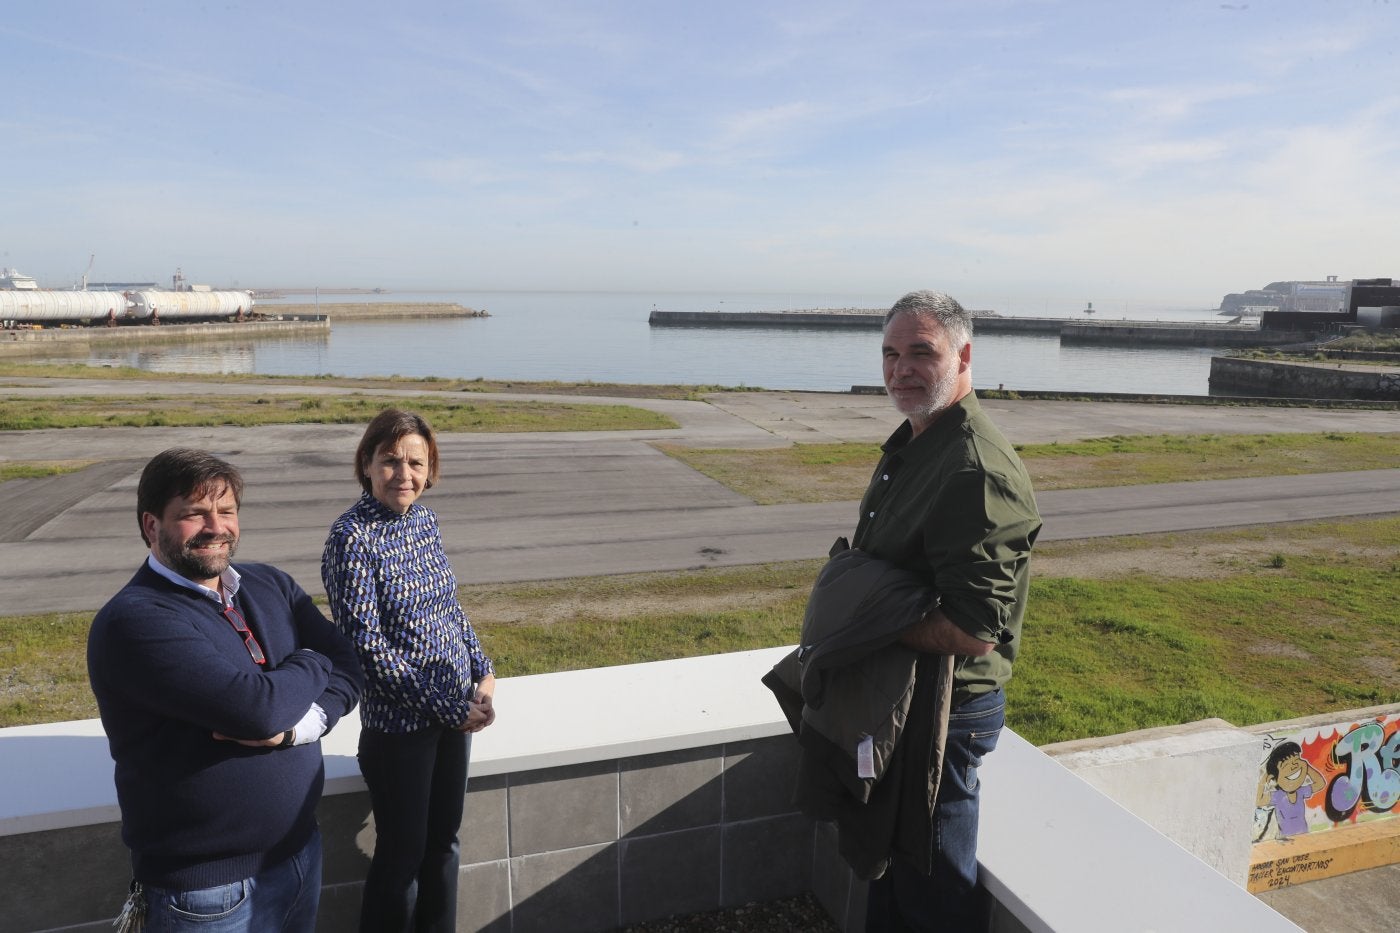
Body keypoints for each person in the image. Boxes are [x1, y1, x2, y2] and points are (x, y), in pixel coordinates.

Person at [87, 448, 363, 933]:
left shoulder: (268, 583)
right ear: (152, 525)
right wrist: (311, 660)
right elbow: (256, 710)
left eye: (227, 510)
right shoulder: (135, 620)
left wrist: (301, 728)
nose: (216, 526)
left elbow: (350, 663)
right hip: (205, 894)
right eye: (194, 514)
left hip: (300, 854)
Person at [858, 291, 1042, 931]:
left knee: (933, 883)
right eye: (889, 353)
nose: (900, 368)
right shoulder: (919, 441)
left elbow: (973, 630)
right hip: (907, 695)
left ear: (963, 356)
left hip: (946, 709)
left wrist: (865, 625)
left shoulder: (974, 468)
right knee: (892, 868)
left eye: (920, 352)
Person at [321, 408, 497, 933]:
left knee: (444, 846)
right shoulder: (352, 538)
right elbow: (366, 650)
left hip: (452, 721)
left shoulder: (424, 520)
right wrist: (453, 707)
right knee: (402, 858)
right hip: (399, 733)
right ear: (367, 465)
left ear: (431, 468)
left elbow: (449, 609)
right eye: (391, 461)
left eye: (415, 463)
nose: (404, 475)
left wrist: (482, 675)